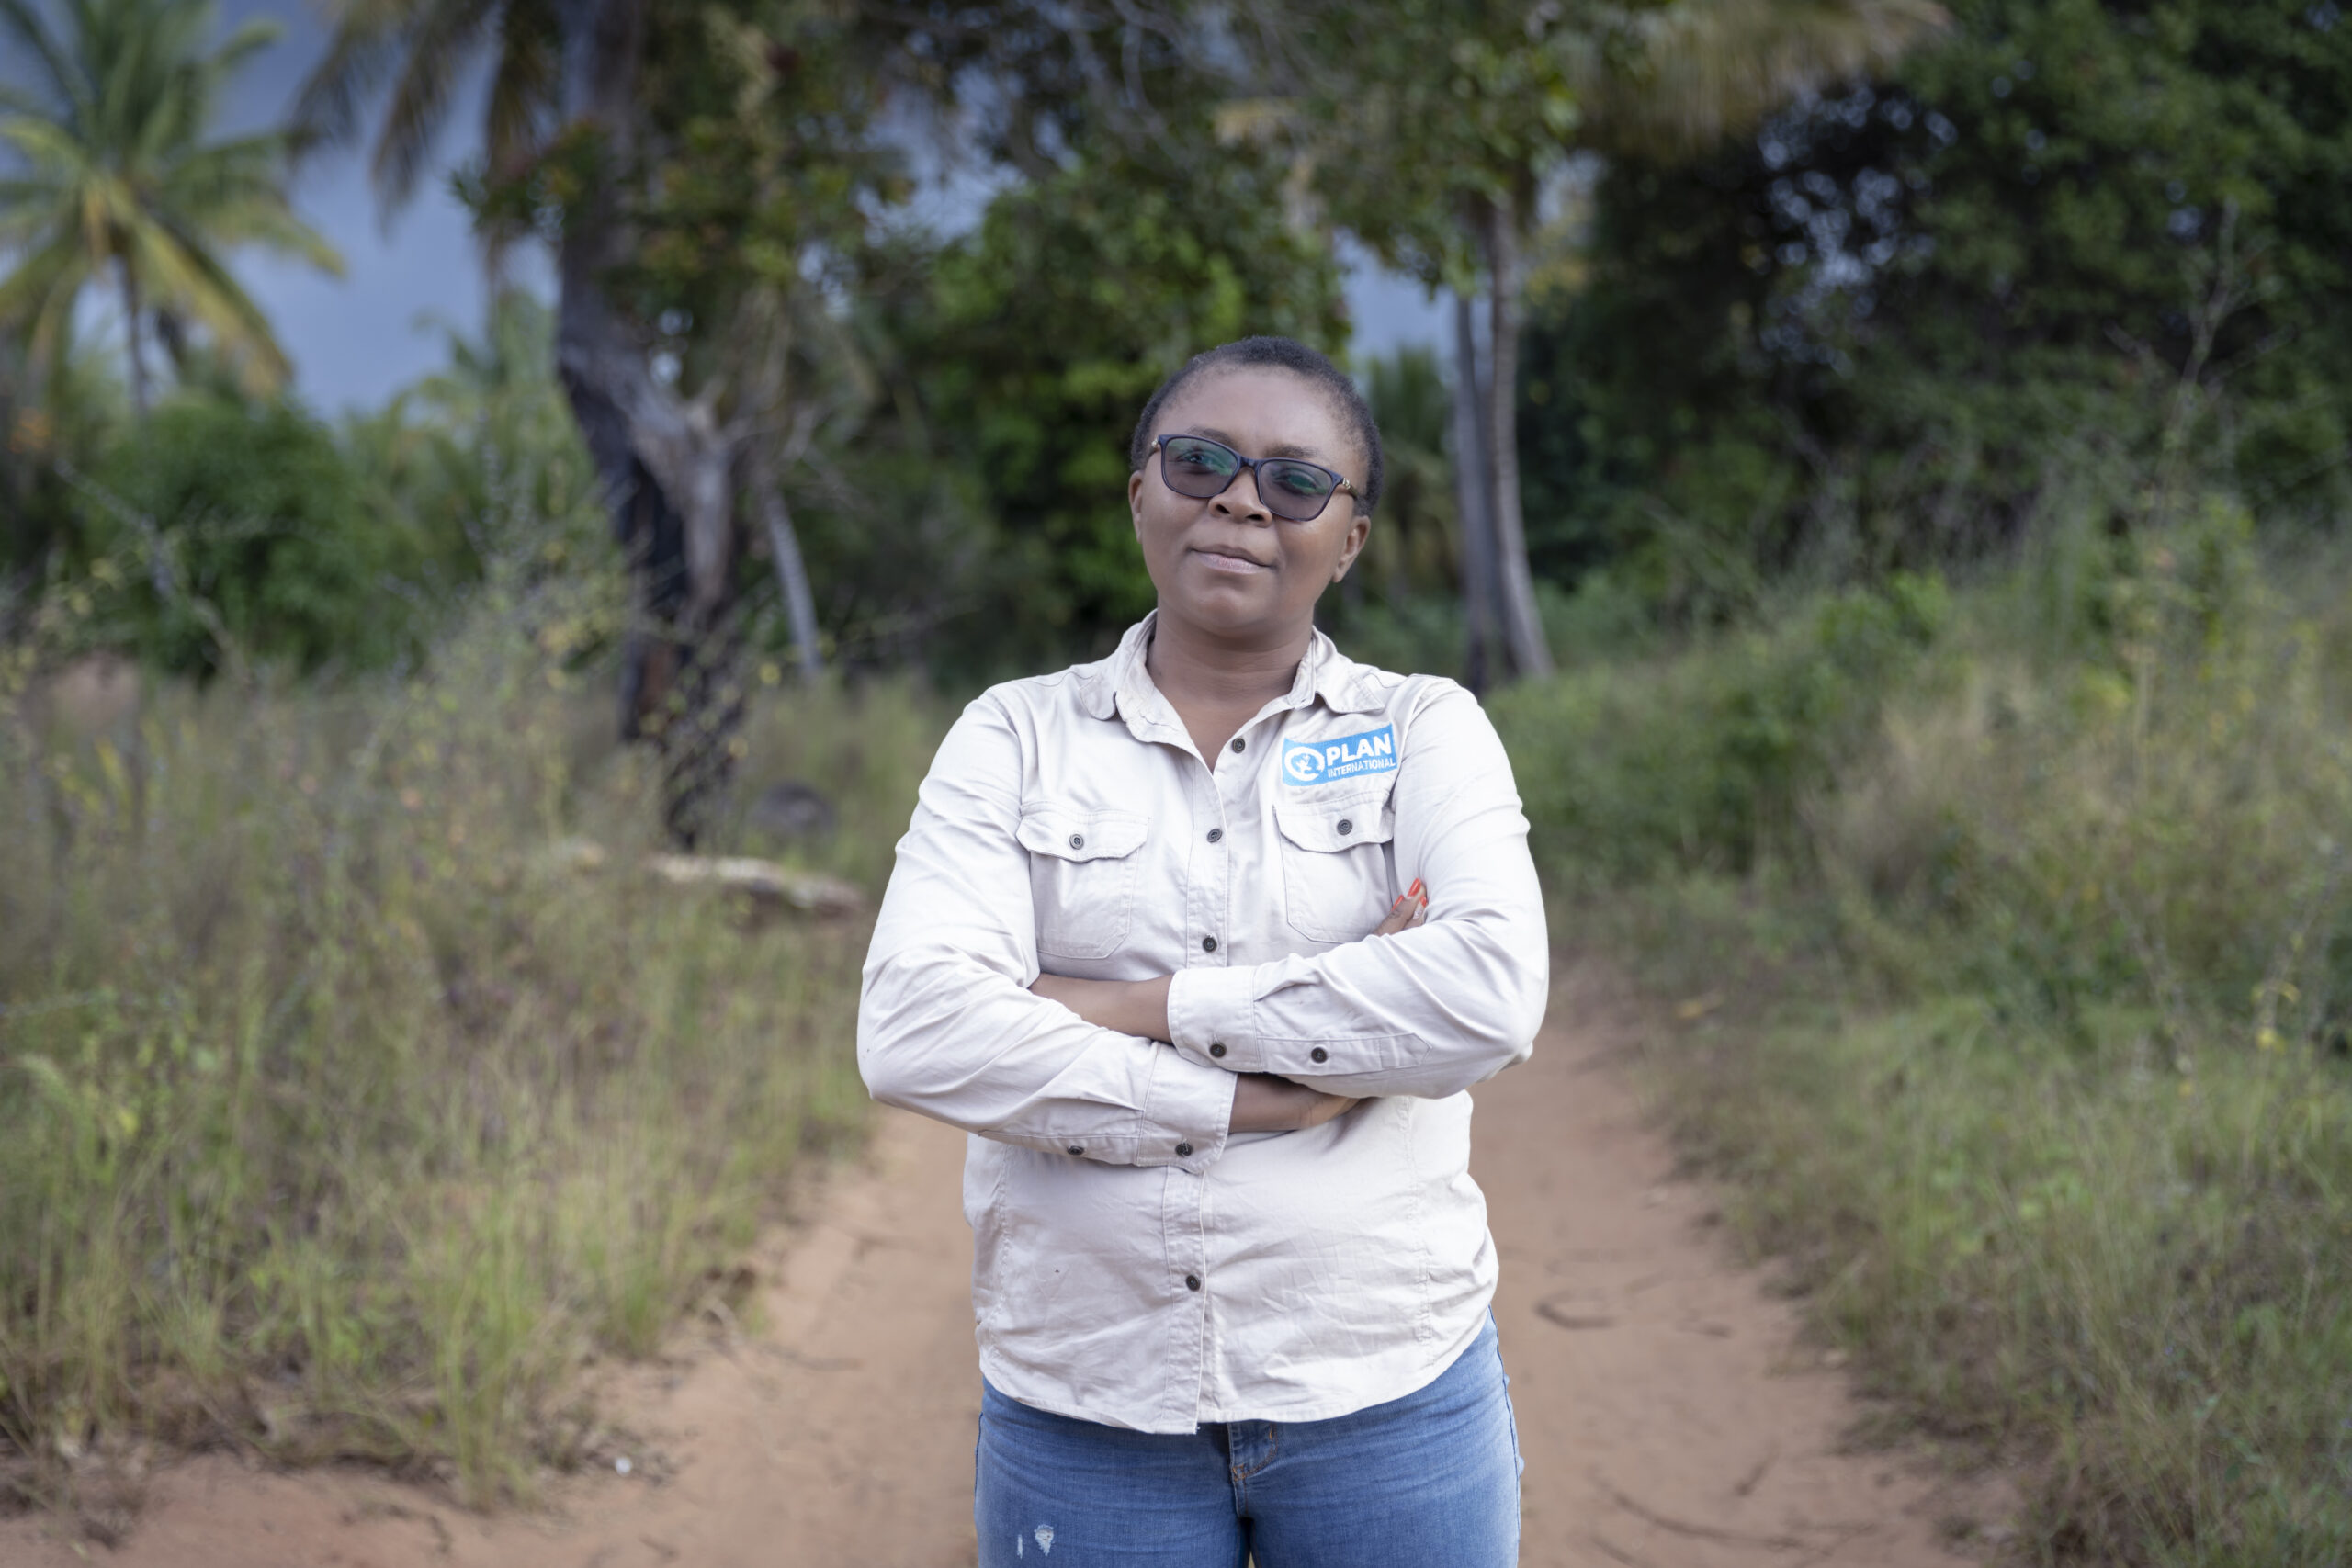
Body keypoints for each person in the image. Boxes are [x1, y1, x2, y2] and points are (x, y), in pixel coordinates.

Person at [858, 335, 1549, 1567]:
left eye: (1295, 481)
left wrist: (1127, 1003)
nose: (1239, 496)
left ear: (1350, 539)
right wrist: (1244, 1101)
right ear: (1142, 497)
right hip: (1086, 1398)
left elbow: (1488, 995)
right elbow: (915, 1030)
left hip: (1386, 1383)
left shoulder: (1423, 730)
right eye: (1201, 461)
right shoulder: (1012, 736)